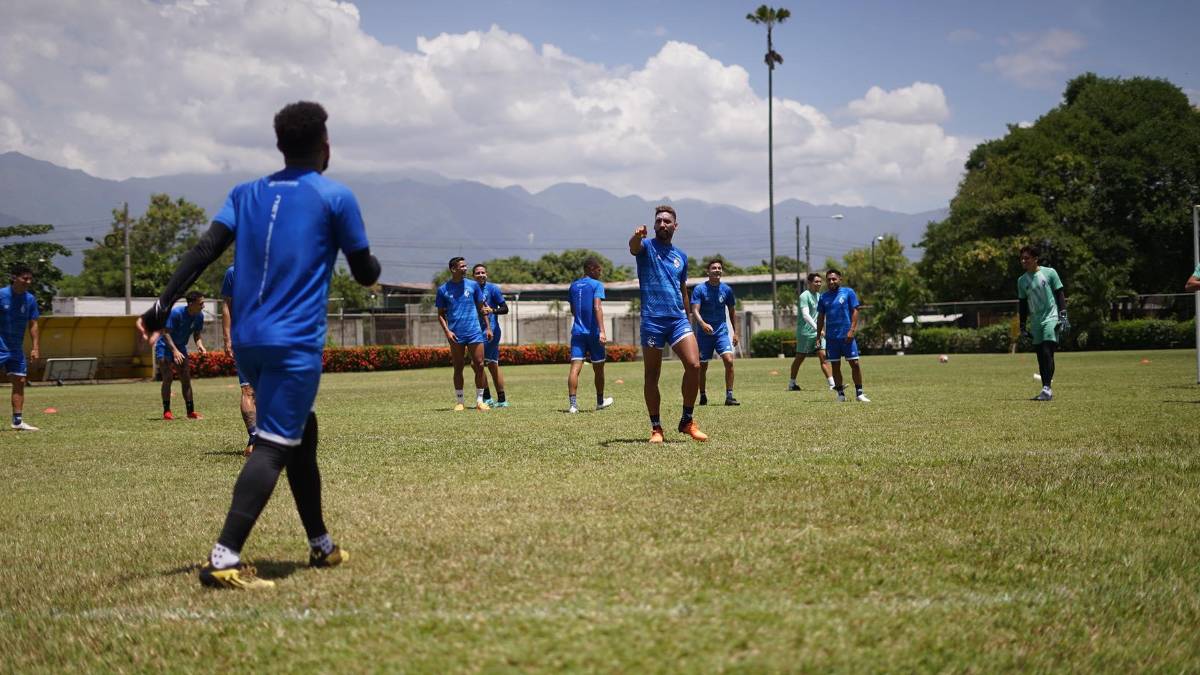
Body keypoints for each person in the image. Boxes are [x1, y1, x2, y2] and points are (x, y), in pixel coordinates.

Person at [137, 101, 381, 589]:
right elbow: (362, 270)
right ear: (325, 146)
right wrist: (371, 268)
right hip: (293, 343)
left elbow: (204, 249)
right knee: (272, 445)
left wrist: (162, 305)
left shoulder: (245, 193)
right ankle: (224, 557)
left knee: (300, 435)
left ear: (279, 145)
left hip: (248, 339)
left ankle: (321, 546)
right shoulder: (335, 196)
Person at [629, 205, 707, 443]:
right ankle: (656, 428)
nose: (662, 224)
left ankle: (687, 420)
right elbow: (633, 247)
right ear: (654, 225)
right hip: (652, 321)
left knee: (694, 365)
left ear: (675, 226)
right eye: (659, 221)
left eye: (667, 221)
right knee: (652, 375)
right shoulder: (646, 247)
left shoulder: (681, 257)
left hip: (677, 320)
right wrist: (636, 235)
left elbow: (682, 288)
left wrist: (687, 315)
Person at [436, 257, 492, 411]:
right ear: (453, 269)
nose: (465, 268)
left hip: (474, 332)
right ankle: (460, 402)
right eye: (462, 266)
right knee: (458, 366)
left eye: (466, 266)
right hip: (456, 334)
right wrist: (447, 331)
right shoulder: (443, 290)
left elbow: (482, 309)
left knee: (480, 365)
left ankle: (480, 401)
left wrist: (487, 328)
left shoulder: (473, 285)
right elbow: (440, 314)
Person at [1018, 245, 1068, 401]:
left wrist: (1063, 315)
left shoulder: (1050, 273)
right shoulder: (1021, 281)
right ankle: (1046, 389)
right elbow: (1022, 304)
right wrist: (1022, 325)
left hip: (1051, 317)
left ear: (1035, 259)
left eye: (1027, 258)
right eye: (1022, 258)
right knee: (1040, 355)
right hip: (1036, 321)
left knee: (1047, 351)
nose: (1024, 260)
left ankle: (1047, 389)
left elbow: (1060, 294)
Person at [690, 258, 740, 406]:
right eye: (714, 268)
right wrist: (702, 323)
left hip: (721, 332)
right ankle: (703, 395)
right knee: (702, 366)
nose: (717, 270)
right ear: (708, 271)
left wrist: (735, 332)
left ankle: (729, 396)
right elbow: (695, 310)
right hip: (704, 334)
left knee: (729, 361)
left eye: (719, 268)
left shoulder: (727, 290)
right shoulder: (700, 289)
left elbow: (732, 312)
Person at [567, 257, 614, 413]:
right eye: (599, 269)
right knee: (599, 368)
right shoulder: (597, 285)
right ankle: (600, 402)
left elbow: (573, 310)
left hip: (577, 332)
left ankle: (573, 405)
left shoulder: (573, 286)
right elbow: (597, 307)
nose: (600, 273)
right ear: (591, 269)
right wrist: (602, 330)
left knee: (575, 367)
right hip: (593, 333)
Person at [816, 268, 870, 403]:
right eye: (828, 279)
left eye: (834, 279)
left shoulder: (848, 292)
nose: (831, 281)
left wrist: (852, 330)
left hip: (847, 336)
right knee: (835, 366)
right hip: (831, 338)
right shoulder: (823, 297)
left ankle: (859, 393)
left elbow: (855, 311)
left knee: (855, 363)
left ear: (840, 279)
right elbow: (821, 317)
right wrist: (818, 336)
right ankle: (840, 394)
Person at [221, 265, 257, 456]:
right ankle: (254, 437)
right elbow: (227, 304)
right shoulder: (234, 272)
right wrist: (228, 339)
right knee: (249, 390)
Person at [156, 290, 207, 420]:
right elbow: (165, 333)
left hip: (180, 348)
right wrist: (174, 351)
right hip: (165, 347)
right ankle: (167, 411)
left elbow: (197, 335)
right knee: (168, 378)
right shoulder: (176, 313)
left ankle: (190, 412)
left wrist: (200, 345)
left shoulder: (199, 316)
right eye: (200, 303)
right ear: (191, 304)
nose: (203, 306)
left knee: (186, 378)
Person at [1, 264, 40, 431]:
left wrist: (35, 347)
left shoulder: (30, 299)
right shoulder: (1, 295)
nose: (28, 281)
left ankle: (17, 421)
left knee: (20, 380)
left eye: (30, 278)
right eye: (25, 278)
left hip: (16, 348)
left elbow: (33, 324)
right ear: (14, 278)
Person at [789, 272, 836, 392]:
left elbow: (821, 315)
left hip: (818, 333)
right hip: (805, 333)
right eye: (816, 282)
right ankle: (792, 384)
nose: (819, 284)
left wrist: (824, 328)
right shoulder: (804, 296)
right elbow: (805, 315)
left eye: (820, 282)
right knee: (800, 358)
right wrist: (817, 328)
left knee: (824, 357)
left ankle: (832, 385)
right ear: (809, 283)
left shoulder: (819, 296)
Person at [472, 263, 509, 407]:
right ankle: (502, 400)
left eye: (483, 272)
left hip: (490, 332)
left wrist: (493, 310)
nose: (481, 275)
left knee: (476, 364)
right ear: (473, 276)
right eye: (478, 273)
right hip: (476, 331)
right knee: (493, 365)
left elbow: (505, 309)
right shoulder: (471, 289)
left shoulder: (493, 289)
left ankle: (487, 398)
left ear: (486, 274)